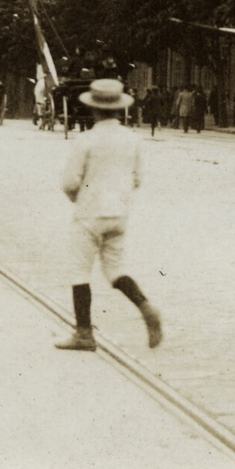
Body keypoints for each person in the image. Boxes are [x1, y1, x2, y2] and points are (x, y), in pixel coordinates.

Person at [52, 79, 163, 352]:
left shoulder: (86, 140)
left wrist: (78, 199)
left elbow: (69, 182)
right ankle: (145, 306)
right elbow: (137, 180)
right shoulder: (132, 139)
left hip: (90, 213)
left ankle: (84, 334)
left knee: (79, 271)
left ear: (93, 109)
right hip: (119, 213)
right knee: (115, 270)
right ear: (119, 109)